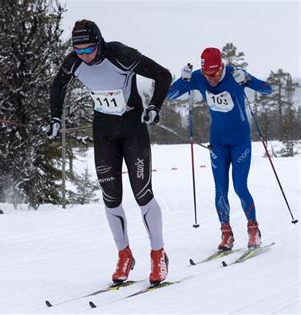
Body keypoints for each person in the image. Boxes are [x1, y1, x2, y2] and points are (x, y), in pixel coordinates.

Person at [47, 20, 172, 285]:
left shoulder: (122, 56)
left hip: (132, 129)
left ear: (99, 42)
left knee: (142, 194)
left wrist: (154, 107)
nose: (85, 56)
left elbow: (163, 75)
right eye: (78, 51)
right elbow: (57, 86)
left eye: (89, 50)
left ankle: (158, 253)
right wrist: (55, 118)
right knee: (110, 197)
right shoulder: (74, 61)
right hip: (103, 132)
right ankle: (124, 254)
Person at [167, 47, 272, 250]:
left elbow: (268, 89)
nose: (211, 79)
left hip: (240, 140)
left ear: (221, 67)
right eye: (207, 75)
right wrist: (183, 79)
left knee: (240, 187)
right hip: (218, 142)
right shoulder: (198, 77)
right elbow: (171, 95)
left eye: (214, 74)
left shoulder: (234, 74)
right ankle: (226, 233)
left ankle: (253, 229)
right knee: (220, 190)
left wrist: (248, 81)